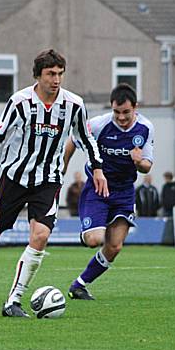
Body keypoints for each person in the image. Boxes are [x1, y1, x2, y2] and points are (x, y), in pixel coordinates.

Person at [0, 49, 107, 318]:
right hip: (16, 177)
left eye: (59, 74)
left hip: (49, 179)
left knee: (40, 236)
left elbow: (86, 139)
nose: (56, 79)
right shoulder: (20, 101)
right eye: (50, 74)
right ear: (38, 75)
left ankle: (13, 301)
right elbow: (0, 129)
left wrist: (97, 169)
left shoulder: (74, 105)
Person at [63, 83, 154, 300]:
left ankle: (79, 285)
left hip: (124, 191)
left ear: (135, 108)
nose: (121, 117)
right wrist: (62, 169)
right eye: (116, 112)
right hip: (98, 188)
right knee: (95, 239)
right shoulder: (98, 124)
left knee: (114, 247)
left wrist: (139, 162)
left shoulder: (145, 128)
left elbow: (148, 166)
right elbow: (72, 141)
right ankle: (87, 231)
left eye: (126, 112)